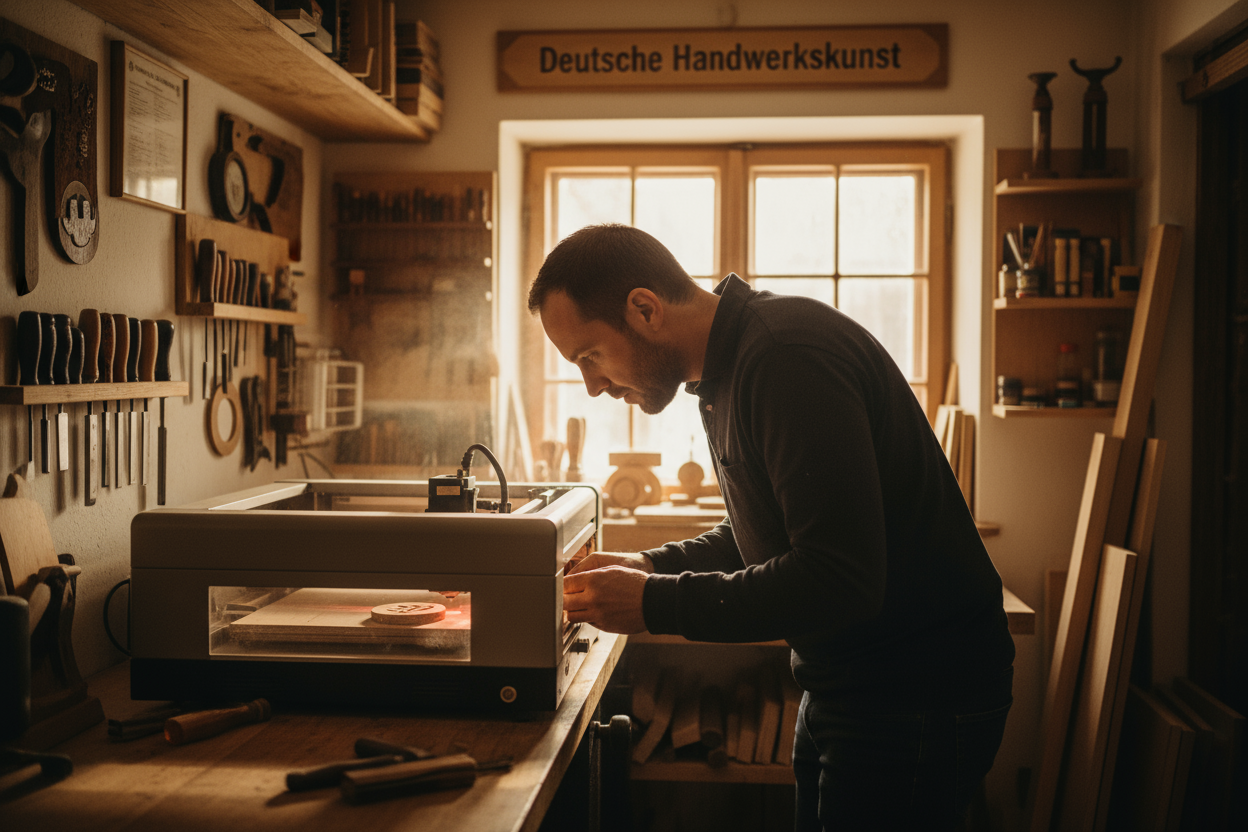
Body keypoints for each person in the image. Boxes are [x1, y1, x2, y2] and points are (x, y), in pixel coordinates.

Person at [529, 224, 1015, 830]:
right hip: (851, 685)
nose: (593, 386)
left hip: (913, 698)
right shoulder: (726, 371)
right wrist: (651, 565)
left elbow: (839, 579)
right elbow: (765, 533)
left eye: (590, 356)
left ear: (644, 309)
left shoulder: (785, 360)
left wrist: (654, 602)